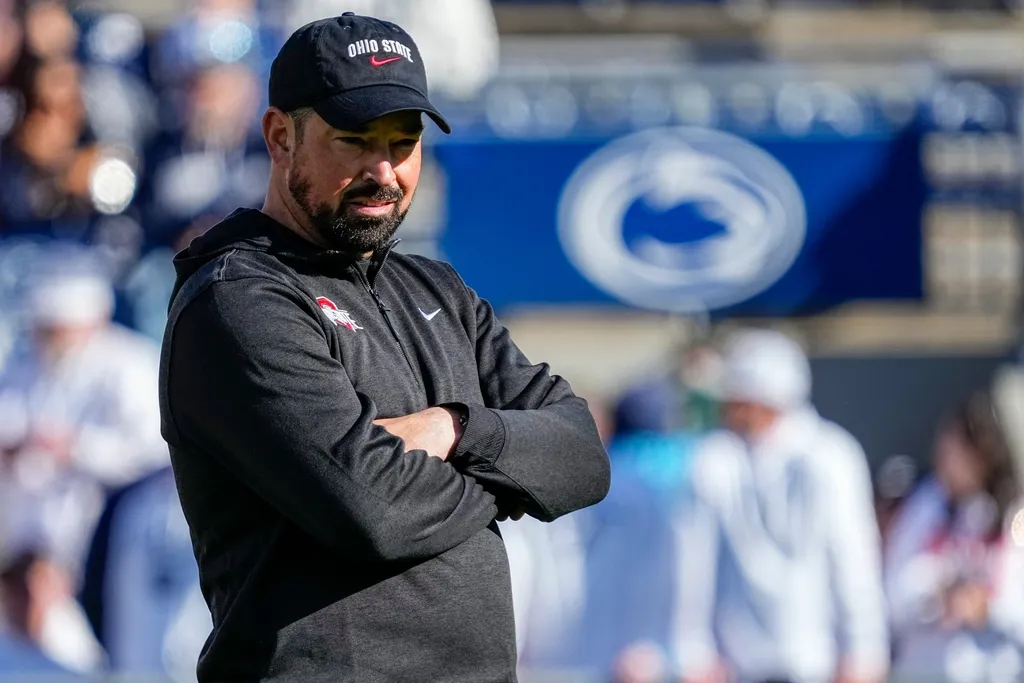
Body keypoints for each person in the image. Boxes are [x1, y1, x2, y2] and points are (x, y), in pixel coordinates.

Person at [158, 13, 610, 683]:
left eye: (404, 142)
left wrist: (454, 429)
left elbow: (581, 456)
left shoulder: (438, 289)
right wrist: (511, 477)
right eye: (353, 141)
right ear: (280, 136)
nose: (384, 171)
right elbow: (375, 511)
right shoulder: (237, 299)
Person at [671, 328, 889, 683]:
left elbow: (853, 560)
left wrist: (863, 652)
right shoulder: (715, 459)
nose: (726, 407)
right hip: (736, 666)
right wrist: (694, 651)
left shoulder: (830, 456)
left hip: (814, 664)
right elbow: (694, 561)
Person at [884, 391, 1024, 683]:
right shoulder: (926, 505)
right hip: (925, 669)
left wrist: (987, 606)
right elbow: (894, 592)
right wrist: (937, 596)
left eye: (956, 447)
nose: (943, 455)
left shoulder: (1015, 515)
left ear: (984, 453)